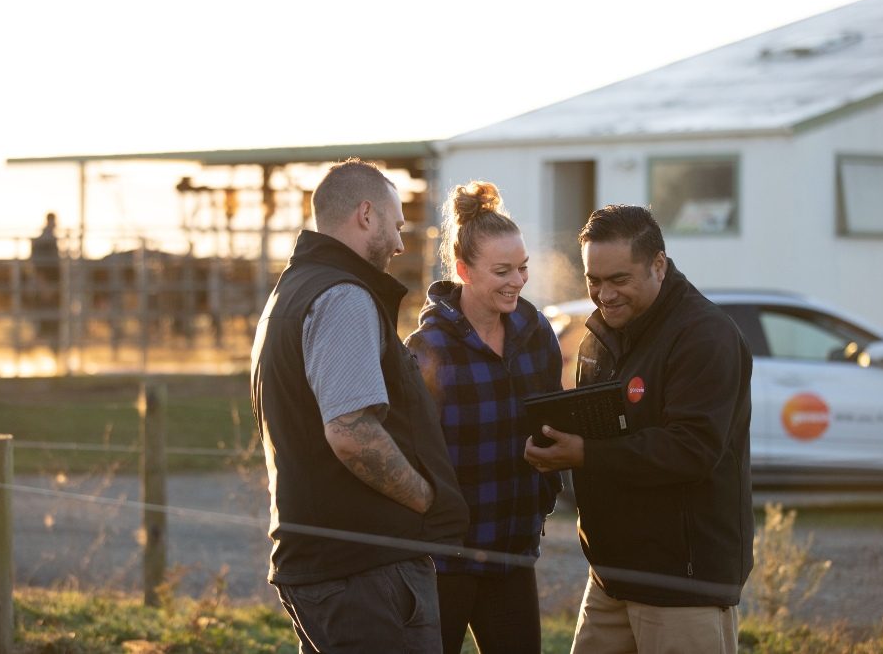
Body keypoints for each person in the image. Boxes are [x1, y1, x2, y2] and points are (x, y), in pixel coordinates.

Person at [250, 158, 469, 653]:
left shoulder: (291, 291)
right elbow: (351, 432)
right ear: (365, 215)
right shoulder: (343, 296)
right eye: (396, 225)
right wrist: (427, 500)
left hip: (329, 564)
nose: (398, 242)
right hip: (364, 571)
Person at [524, 204, 753, 654]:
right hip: (611, 578)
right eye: (594, 281)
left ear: (659, 265)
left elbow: (692, 449)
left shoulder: (705, 336)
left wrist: (585, 453)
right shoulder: (600, 336)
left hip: (683, 586)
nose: (604, 295)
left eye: (619, 280)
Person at [405, 181, 564, 654]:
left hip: (512, 549)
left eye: (522, 268)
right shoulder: (427, 348)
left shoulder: (536, 333)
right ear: (463, 270)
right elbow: (412, 454)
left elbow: (551, 417)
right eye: (502, 271)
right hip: (444, 558)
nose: (516, 281)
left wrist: (545, 490)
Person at [29, 212, 61, 342]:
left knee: (51, 310)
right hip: (46, 282)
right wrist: (43, 283)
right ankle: (43, 336)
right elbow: (38, 263)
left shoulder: (49, 238)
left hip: (50, 281)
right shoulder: (45, 240)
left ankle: (46, 337)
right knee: (46, 309)